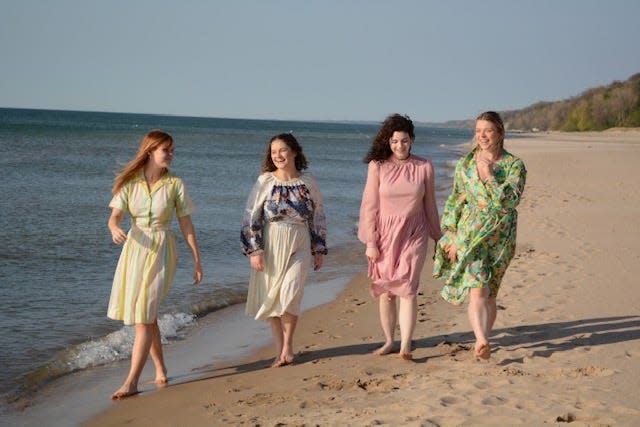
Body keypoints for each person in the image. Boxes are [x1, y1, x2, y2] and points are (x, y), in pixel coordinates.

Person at [107, 130, 203, 399]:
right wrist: (114, 227)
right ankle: (160, 369)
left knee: (144, 316)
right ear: (150, 151)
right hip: (135, 249)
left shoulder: (175, 185)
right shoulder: (130, 183)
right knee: (146, 317)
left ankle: (132, 381)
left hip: (162, 250)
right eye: (166, 150)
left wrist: (197, 258)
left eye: (172, 150)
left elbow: (186, 223)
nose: (171, 155)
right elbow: (115, 216)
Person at [433, 111, 526, 360]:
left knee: (490, 292)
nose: (481, 136)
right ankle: (481, 340)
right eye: (478, 131)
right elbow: (455, 200)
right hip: (470, 232)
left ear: (500, 133)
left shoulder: (514, 165)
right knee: (477, 289)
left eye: (487, 130)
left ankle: (484, 335)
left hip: (501, 234)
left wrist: (488, 176)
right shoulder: (465, 163)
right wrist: (451, 234)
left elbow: (510, 201)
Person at [358, 114, 442, 360]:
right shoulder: (378, 166)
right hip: (384, 235)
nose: (399, 146)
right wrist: (371, 242)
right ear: (388, 141)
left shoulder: (424, 166)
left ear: (412, 140)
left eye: (404, 141)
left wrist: (438, 236)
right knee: (386, 292)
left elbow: (430, 205)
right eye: (394, 141)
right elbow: (369, 206)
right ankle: (389, 341)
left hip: (415, 232)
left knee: (407, 289)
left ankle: (406, 345)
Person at [241, 133, 327, 368]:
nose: (277, 155)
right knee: (275, 299)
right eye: (273, 152)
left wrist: (319, 248)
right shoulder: (265, 181)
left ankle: (288, 346)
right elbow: (251, 216)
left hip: (299, 241)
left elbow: (318, 215)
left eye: (282, 150)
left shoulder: (308, 182)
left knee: (290, 294)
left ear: (294, 152)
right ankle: (282, 352)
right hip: (272, 243)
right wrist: (254, 250)